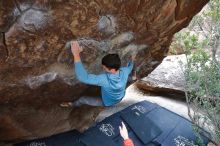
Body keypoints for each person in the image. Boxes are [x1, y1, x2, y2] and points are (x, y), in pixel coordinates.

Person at [60, 41, 135, 107]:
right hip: (120, 96)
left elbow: (83, 78)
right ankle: (133, 78)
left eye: (104, 68)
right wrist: (132, 60)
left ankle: (73, 105)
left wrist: (76, 54)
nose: (103, 68)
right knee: (129, 78)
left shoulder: (104, 80)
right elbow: (130, 67)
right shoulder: (125, 71)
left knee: (83, 99)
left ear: (112, 69)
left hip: (107, 102)